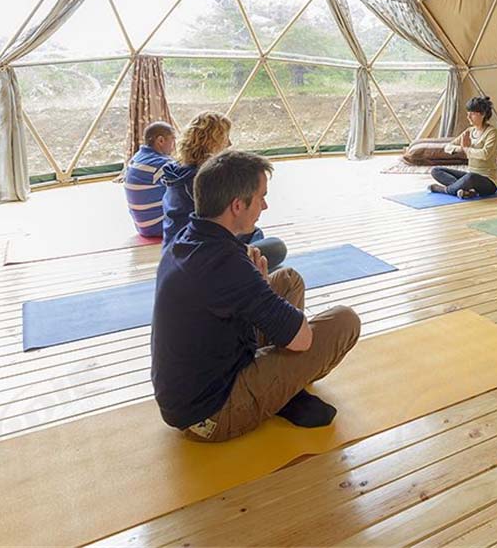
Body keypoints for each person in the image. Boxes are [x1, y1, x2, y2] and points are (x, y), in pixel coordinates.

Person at [151, 150, 361, 441]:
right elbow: (303, 339)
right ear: (237, 205)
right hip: (210, 415)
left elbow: (232, 294)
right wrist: (262, 294)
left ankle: (278, 385)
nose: (265, 204)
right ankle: (280, 390)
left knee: (288, 280)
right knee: (344, 321)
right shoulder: (225, 264)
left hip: (193, 387)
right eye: (261, 196)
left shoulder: (190, 236)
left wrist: (260, 288)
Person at [163, 111, 287, 271]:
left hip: (174, 249)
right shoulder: (205, 180)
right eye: (225, 138)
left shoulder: (176, 173)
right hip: (199, 257)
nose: (229, 144)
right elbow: (222, 226)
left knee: (256, 234)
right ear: (212, 142)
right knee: (276, 246)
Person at [429, 96, 497, 199]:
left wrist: (467, 149)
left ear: (483, 114)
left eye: (472, 114)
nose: (468, 117)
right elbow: (447, 147)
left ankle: (445, 190)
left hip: (488, 182)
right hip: (471, 175)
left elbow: (485, 154)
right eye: (468, 113)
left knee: (470, 177)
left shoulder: (492, 133)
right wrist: (461, 149)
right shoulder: (469, 131)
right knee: (436, 170)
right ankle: (466, 191)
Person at [123, 121, 176, 237]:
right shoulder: (161, 164)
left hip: (142, 226)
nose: (173, 146)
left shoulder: (136, 158)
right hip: (158, 225)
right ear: (161, 140)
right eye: (172, 140)